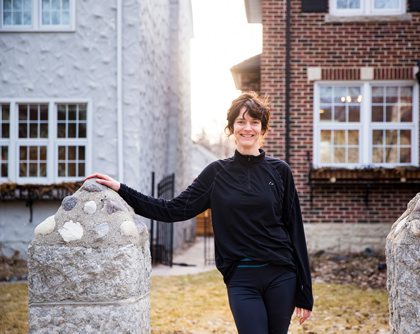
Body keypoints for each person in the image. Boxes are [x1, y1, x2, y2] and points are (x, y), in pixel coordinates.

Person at [85, 91, 313, 334]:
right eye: (241, 121)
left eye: (254, 122)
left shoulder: (280, 172)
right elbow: (173, 209)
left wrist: (305, 293)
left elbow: (295, 230)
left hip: (282, 275)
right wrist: (121, 189)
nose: (248, 128)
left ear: (263, 129)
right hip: (242, 279)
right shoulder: (216, 173)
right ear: (231, 128)